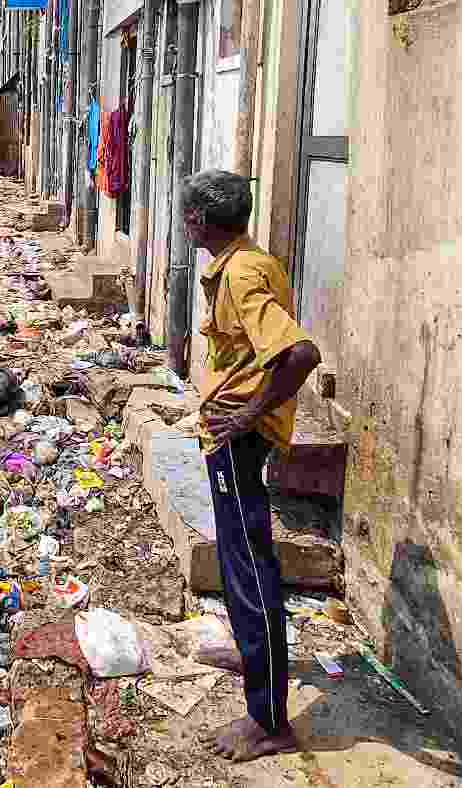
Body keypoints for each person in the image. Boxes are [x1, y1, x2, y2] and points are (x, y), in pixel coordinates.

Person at [179, 169, 322, 762]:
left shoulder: (240, 275)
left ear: (198, 221)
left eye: (186, 216)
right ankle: (250, 650)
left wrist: (244, 417)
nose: (185, 224)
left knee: (248, 568)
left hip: (240, 440)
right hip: (234, 434)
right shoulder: (246, 262)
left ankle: (269, 720)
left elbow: (300, 354)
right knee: (239, 556)